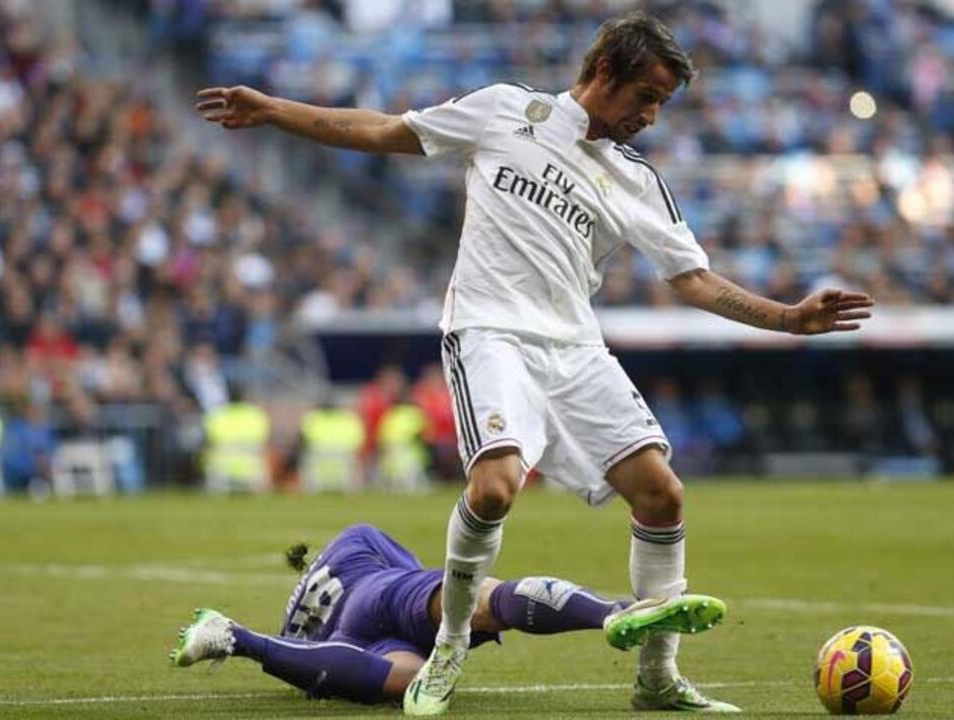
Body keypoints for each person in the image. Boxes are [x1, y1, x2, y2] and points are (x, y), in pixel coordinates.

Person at [195, 11, 874, 715]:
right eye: (644, 94)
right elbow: (382, 129)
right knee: (494, 488)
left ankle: (656, 678)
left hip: (574, 349)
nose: (650, 114)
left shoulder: (634, 179)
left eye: (662, 104)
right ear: (604, 69)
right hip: (489, 333)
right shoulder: (504, 112)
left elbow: (692, 280)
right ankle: (451, 639)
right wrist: (274, 110)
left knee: (662, 494)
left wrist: (788, 317)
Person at [169, 523, 725, 706]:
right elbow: (407, 562)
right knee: (477, 600)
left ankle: (238, 638)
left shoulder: (298, 610)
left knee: (406, 680)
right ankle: (612, 612)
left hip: (348, 640)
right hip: (382, 592)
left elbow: (307, 654)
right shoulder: (354, 541)